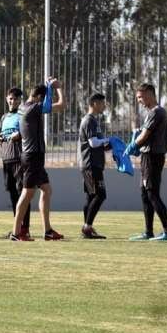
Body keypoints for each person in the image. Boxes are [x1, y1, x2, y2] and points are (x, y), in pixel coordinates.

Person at [11, 78, 66, 241]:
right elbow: (52, 105)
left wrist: (50, 88)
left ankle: (47, 231)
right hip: (32, 156)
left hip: (34, 156)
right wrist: (56, 88)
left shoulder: (26, 107)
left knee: (46, 190)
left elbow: (60, 106)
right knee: (27, 193)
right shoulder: (32, 108)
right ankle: (16, 233)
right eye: (43, 99)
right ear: (39, 98)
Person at [126, 83, 167, 241]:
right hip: (148, 156)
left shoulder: (156, 112)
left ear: (149, 94)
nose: (139, 100)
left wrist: (132, 146)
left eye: (140, 97)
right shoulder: (152, 113)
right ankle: (148, 231)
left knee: (152, 193)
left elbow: (145, 135)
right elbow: (144, 134)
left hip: (153, 157)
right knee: (145, 194)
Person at [0, 88, 31, 239]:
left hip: (19, 159)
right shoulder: (4, 117)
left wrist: (19, 135)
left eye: (15, 99)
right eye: (10, 98)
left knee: (23, 194)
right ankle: (17, 227)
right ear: (6, 99)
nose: (12, 101)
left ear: (20, 100)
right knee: (13, 195)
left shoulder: (22, 116)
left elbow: (27, 132)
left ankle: (24, 229)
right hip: (6, 160)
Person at [78, 93, 111, 239]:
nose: (104, 106)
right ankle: (87, 227)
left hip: (92, 164)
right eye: (103, 103)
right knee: (100, 194)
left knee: (91, 196)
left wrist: (107, 145)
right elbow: (92, 143)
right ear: (95, 103)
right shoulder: (89, 120)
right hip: (91, 164)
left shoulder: (93, 121)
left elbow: (96, 144)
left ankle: (87, 228)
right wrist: (107, 140)